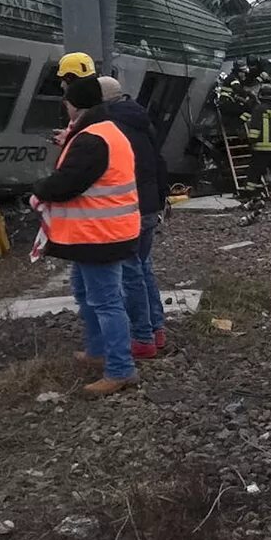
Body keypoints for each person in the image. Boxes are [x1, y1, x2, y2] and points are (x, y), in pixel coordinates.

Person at [32, 74, 141, 397]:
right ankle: (97, 350)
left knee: (106, 301)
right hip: (99, 232)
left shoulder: (92, 137)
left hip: (100, 234)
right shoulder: (105, 131)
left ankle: (120, 369)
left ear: (73, 105)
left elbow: (67, 183)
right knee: (86, 292)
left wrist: (37, 190)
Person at [99, 76, 170, 356]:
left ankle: (142, 338)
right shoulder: (142, 121)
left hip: (130, 207)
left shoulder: (113, 127)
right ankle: (157, 329)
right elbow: (159, 161)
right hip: (150, 205)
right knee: (143, 267)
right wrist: (162, 198)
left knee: (130, 272)